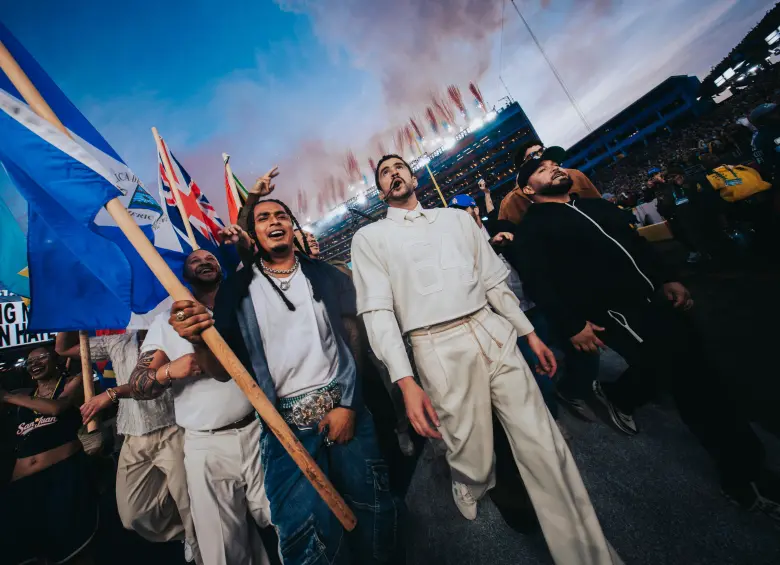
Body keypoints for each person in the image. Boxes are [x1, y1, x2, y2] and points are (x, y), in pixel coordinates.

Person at [351, 154, 622, 564]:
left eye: (399, 167)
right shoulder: (370, 238)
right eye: (384, 173)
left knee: (543, 443)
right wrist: (405, 381)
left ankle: (588, 555)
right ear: (380, 191)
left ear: (413, 176)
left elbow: (495, 282)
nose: (393, 174)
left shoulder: (456, 220)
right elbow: (378, 312)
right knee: (467, 443)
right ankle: (470, 478)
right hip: (434, 344)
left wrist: (529, 334)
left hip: (490, 330)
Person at [506, 152, 780, 523]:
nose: (553, 168)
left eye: (553, 165)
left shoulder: (595, 207)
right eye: (541, 170)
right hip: (619, 315)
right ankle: (744, 479)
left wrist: (668, 276)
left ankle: (621, 395)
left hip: (655, 298)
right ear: (527, 188)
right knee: (695, 388)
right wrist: (572, 325)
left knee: (704, 373)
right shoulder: (534, 229)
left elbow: (638, 247)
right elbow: (542, 284)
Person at [169, 191, 399, 564]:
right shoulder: (235, 290)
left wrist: (349, 406)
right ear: (253, 235)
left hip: (345, 413)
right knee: (304, 530)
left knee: (373, 506)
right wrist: (198, 342)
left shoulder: (326, 274)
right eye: (263, 218)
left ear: (291, 227)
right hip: (283, 427)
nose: (274, 222)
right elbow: (222, 372)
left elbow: (355, 341)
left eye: (281, 216)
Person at [129, 248, 273, 565]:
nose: (204, 262)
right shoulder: (166, 323)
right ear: (185, 275)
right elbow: (139, 382)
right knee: (223, 548)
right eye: (195, 261)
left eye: (210, 258)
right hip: (207, 446)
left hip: (260, 431)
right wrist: (169, 371)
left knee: (287, 520)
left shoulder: (244, 305)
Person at [56, 329, 201, 564]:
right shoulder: (117, 341)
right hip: (132, 434)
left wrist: (110, 394)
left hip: (172, 428)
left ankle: (198, 540)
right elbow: (63, 350)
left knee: (187, 500)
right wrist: (68, 314)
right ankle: (188, 531)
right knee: (132, 514)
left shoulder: (171, 334)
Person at [0, 346, 97, 565]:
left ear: (56, 360)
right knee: (31, 552)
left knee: (73, 548)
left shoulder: (71, 384)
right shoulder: (22, 396)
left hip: (61, 477)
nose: (35, 363)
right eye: (30, 361)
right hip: (23, 484)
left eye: (42, 357)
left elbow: (56, 408)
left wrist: (6, 396)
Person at [498, 140, 600, 225]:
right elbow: (507, 237)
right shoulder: (510, 202)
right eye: (534, 155)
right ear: (523, 166)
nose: (541, 155)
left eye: (542, 150)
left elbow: (599, 204)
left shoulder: (574, 175)